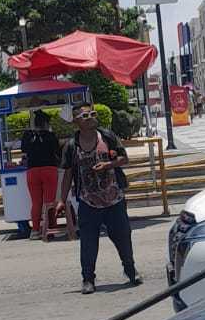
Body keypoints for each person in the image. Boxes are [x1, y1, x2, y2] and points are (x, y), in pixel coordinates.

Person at [61, 105, 142, 294]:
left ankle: (130, 270)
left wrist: (108, 165)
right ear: (76, 121)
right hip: (88, 202)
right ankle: (88, 279)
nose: (90, 117)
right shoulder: (71, 145)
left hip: (114, 199)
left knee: (123, 237)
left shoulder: (107, 137)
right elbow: (67, 174)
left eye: (93, 114)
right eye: (85, 115)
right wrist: (61, 200)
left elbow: (124, 159)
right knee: (88, 242)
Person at [20, 110, 60, 240]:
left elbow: (24, 150)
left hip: (32, 171)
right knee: (50, 202)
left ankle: (35, 230)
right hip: (49, 169)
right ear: (46, 123)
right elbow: (57, 151)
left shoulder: (27, 135)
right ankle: (51, 228)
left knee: (36, 202)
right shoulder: (51, 135)